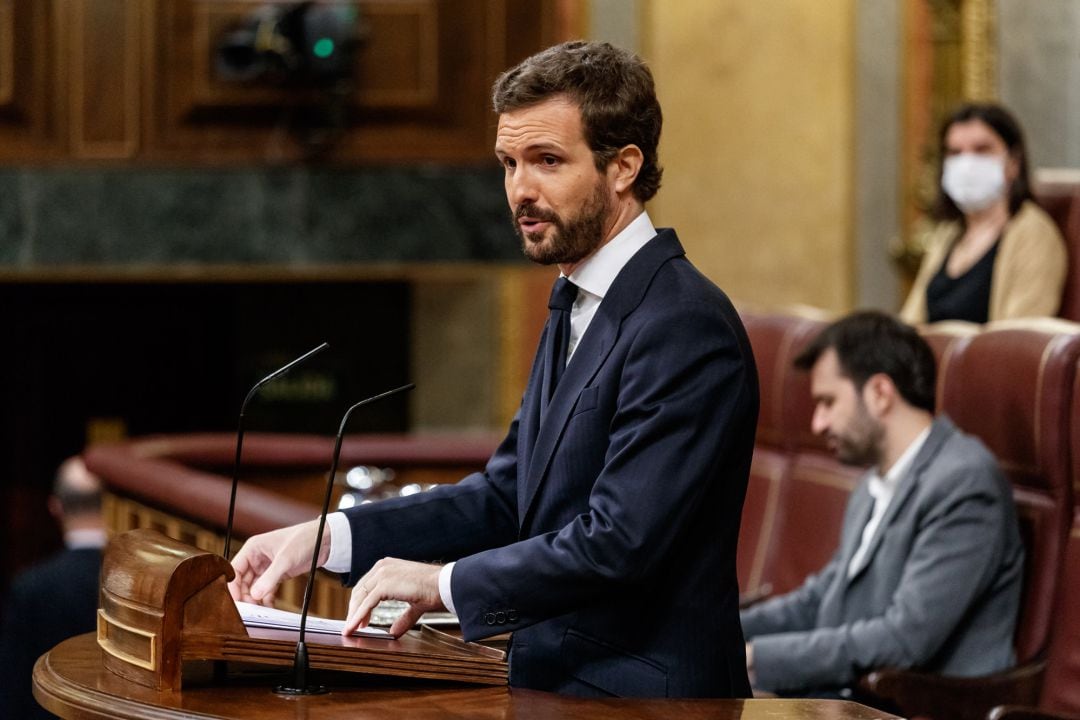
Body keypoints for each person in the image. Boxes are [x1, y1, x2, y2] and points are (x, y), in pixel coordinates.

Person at [229, 40, 759, 698]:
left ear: (623, 167)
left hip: (642, 701)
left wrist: (440, 583)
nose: (520, 191)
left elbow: (619, 544)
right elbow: (509, 498)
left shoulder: (682, 323)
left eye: (546, 161)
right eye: (509, 163)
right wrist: (327, 537)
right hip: (556, 684)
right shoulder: (575, 302)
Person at [741, 311, 1023, 698]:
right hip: (849, 696)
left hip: (918, 705)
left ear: (880, 393)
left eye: (827, 402)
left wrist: (759, 658)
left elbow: (905, 637)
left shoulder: (964, 483)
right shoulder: (873, 482)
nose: (818, 423)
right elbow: (821, 599)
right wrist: (721, 630)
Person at [899, 102, 1066, 324]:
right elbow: (910, 323)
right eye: (955, 153)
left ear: (1013, 163)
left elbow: (1019, 337)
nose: (966, 164)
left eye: (982, 150)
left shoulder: (1033, 234)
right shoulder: (948, 234)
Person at [0, 457, 106, 719]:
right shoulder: (135, 586)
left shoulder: (31, 587)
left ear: (55, 507)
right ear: (108, 506)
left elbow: (12, 685)